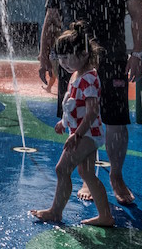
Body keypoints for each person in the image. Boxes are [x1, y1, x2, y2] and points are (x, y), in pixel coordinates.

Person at [38, 0, 142, 205]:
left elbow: (137, 15)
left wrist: (138, 53)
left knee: (115, 120)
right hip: (72, 63)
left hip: (112, 60)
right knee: (78, 118)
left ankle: (116, 176)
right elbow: (50, 20)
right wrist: (43, 58)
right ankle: (89, 177)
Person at [31, 21, 114, 227]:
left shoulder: (88, 78)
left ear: (84, 54)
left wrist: (76, 134)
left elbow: (93, 110)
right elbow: (74, 104)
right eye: (61, 59)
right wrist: (64, 122)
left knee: (62, 169)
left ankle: (55, 212)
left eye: (68, 58)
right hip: (85, 132)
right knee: (85, 173)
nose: (64, 63)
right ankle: (105, 215)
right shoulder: (78, 75)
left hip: (87, 134)